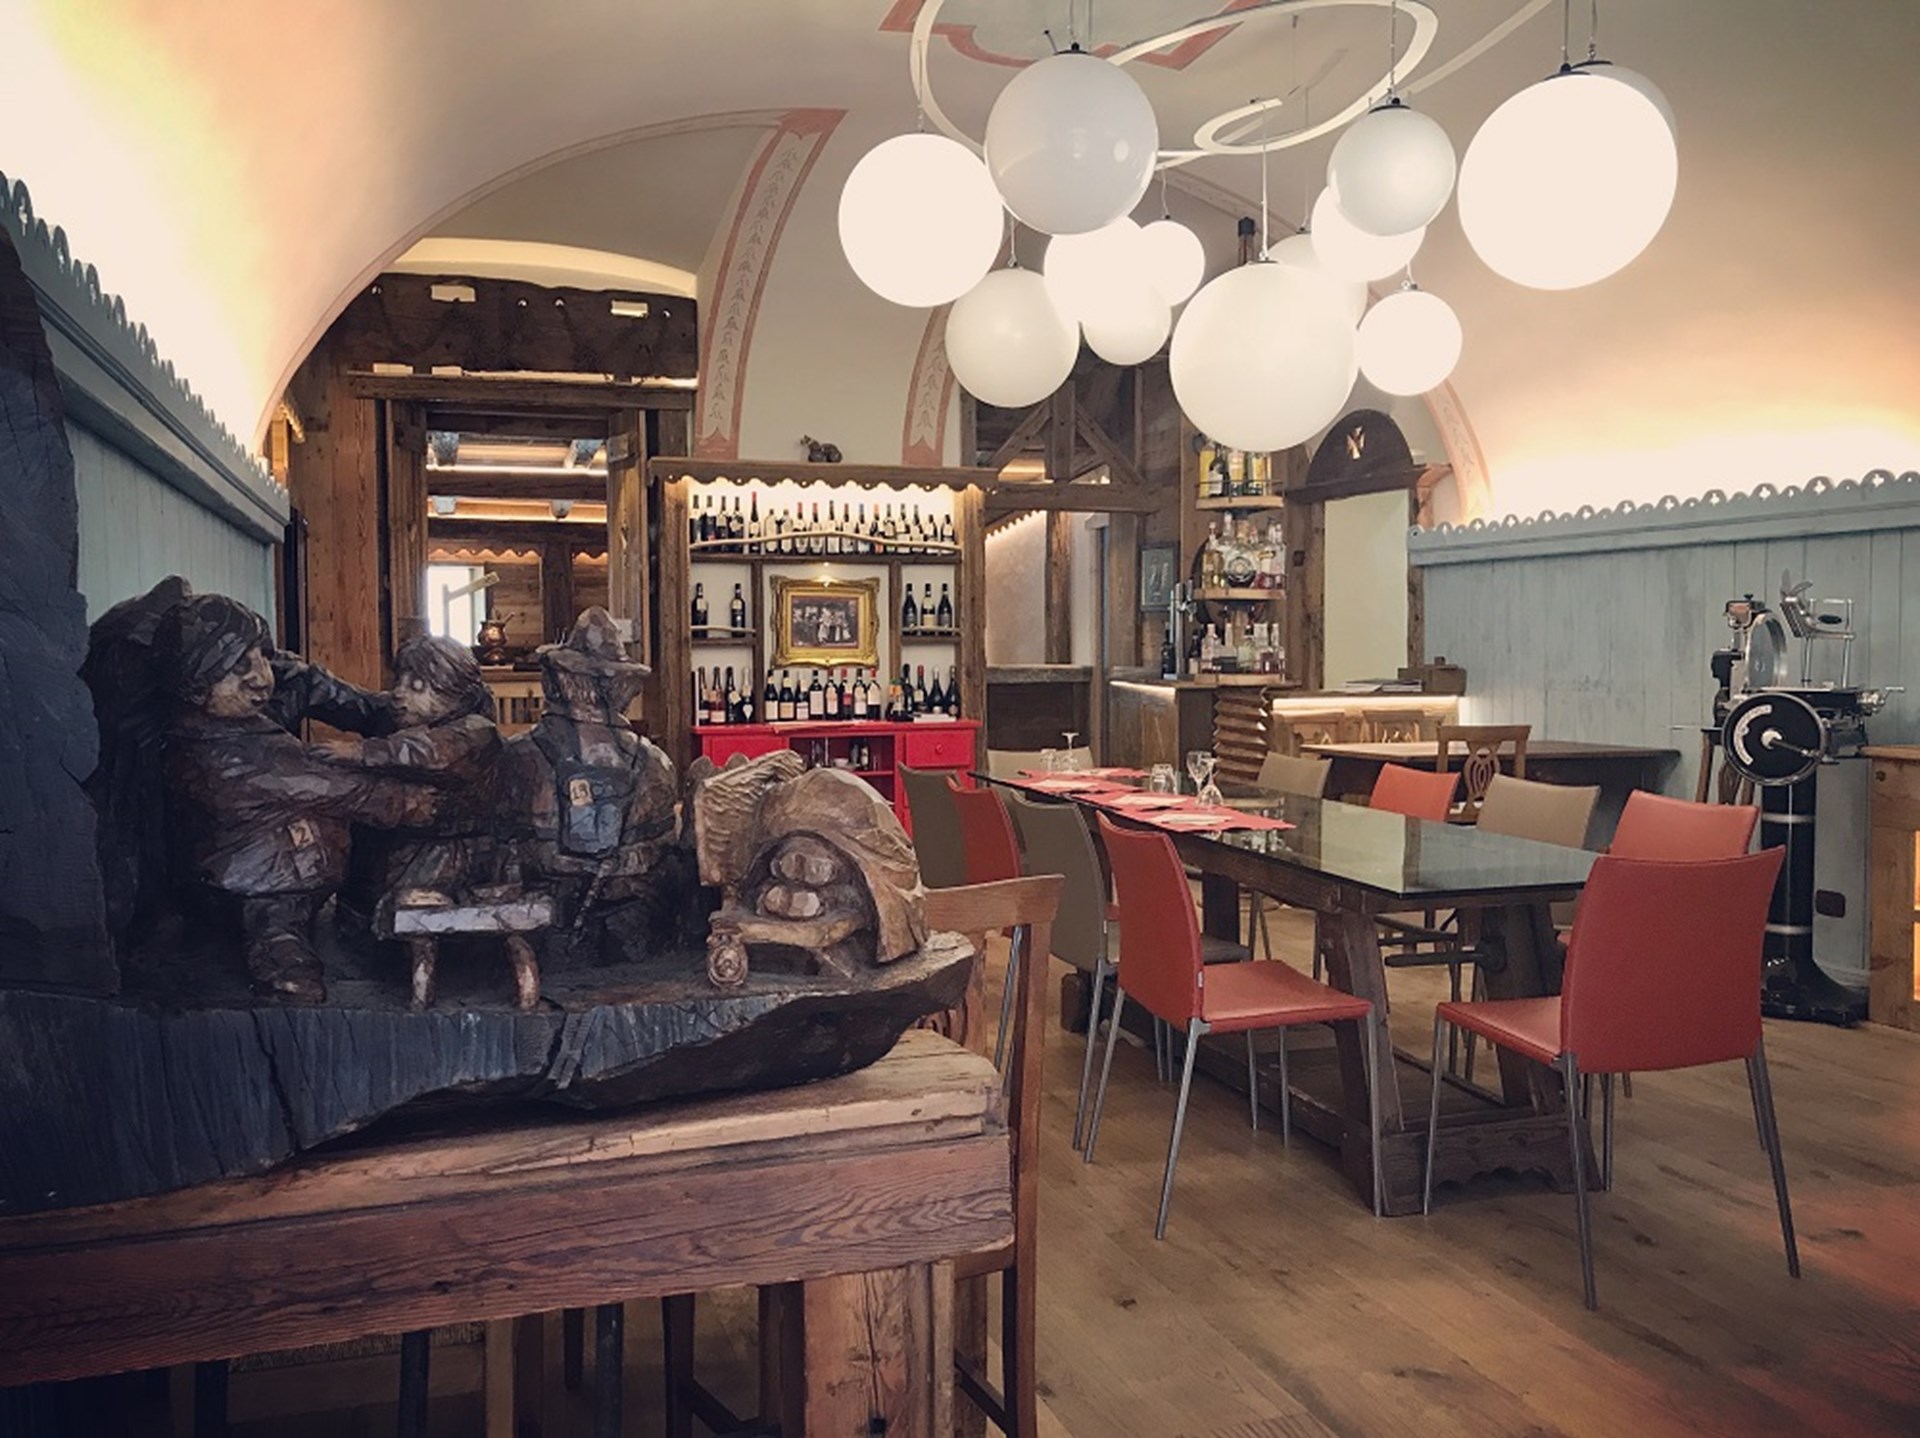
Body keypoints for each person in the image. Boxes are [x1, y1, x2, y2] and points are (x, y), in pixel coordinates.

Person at [157, 594, 438, 1001]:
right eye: (239, 665)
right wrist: (425, 799)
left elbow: (319, 689)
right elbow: (344, 788)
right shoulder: (228, 753)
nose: (260, 676)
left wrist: (403, 712)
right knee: (277, 923)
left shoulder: (252, 701)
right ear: (196, 683)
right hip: (249, 885)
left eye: (261, 656)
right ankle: (280, 954)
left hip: (261, 871)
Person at [499, 607, 683, 955]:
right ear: (623, 688)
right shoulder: (654, 764)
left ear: (558, 681)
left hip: (599, 932)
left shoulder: (521, 756)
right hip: (590, 933)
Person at [327, 634, 503, 934]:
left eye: (417, 686)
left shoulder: (477, 731)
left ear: (456, 695)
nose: (399, 693)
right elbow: (357, 704)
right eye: (399, 681)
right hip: (390, 860)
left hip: (443, 863)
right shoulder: (406, 718)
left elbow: (429, 752)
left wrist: (358, 752)